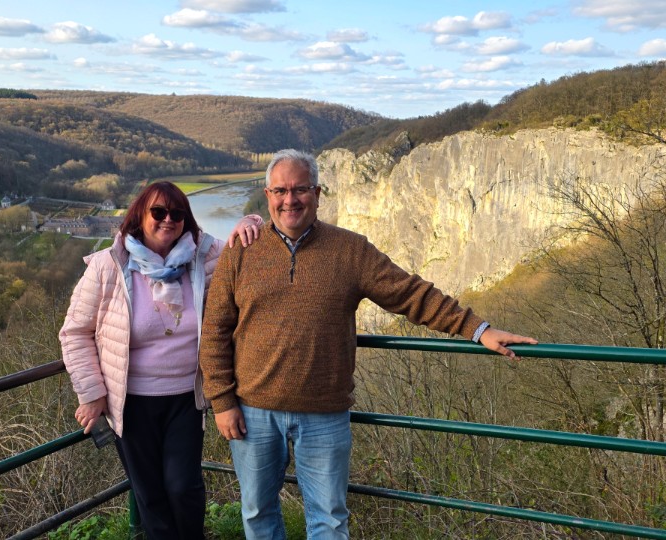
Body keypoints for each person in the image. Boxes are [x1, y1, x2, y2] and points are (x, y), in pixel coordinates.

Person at [199, 149, 538, 539]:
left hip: (324, 414)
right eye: (280, 191)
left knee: (329, 519)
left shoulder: (350, 250)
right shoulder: (241, 251)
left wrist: (478, 330)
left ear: (317, 193)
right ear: (268, 195)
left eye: (300, 189)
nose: (290, 200)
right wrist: (222, 401)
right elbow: (215, 331)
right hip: (253, 411)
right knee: (258, 513)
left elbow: (411, 294)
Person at [59, 181, 264, 539]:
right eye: (158, 211)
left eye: (177, 213)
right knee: (151, 496)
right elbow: (75, 332)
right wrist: (91, 393)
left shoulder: (204, 257)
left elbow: (248, 248)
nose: (168, 219)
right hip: (130, 402)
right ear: (140, 215)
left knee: (184, 487)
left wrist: (252, 220)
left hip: (186, 398)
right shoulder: (109, 265)